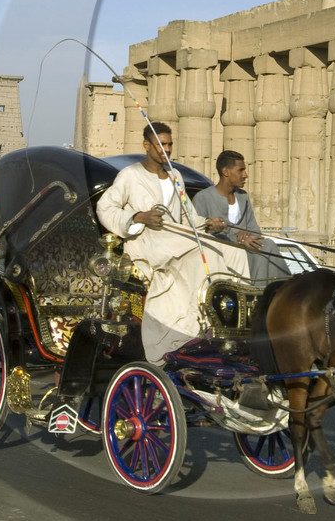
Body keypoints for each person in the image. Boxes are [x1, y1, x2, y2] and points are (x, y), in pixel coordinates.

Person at [97, 123, 250, 361]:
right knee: (206, 255)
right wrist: (139, 217)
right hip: (147, 242)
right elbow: (105, 208)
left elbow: (187, 215)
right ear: (147, 145)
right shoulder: (130, 176)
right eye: (161, 144)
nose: (166, 150)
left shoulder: (175, 176)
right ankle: (197, 322)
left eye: (169, 144)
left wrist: (209, 224)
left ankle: (233, 319)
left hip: (177, 237)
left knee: (233, 251)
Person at [192, 150, 289, 281]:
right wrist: (236, 239)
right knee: (257, 253)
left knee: (268, 245)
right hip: (221, 254)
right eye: (240, 170)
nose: (245, 175)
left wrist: (246, 235)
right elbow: (199, 234)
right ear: (226, 172)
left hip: (248, 249)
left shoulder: (243, 196)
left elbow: (255, 231)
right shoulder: (203, 198)